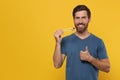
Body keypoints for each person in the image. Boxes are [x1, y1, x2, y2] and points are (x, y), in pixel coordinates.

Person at [53, 4, 110, 80]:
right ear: (73, 19)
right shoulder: (66, 40)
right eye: (77, 18)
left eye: (83, 18)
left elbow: (107, 68)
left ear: (89, 19)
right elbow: (57, 65)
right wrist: (58, 43)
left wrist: (90, 59)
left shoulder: (98, 42)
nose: (80, 21)